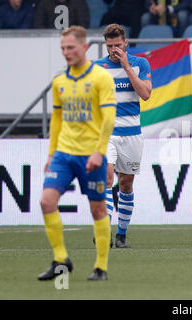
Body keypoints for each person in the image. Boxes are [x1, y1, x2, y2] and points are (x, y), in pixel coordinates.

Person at [37, 26, 116, 281]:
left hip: (91, 155)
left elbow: (108, 118)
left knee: (97, 210)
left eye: (70, 47)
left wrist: (99, 152)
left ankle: (101, 267)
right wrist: (51, 153)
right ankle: (61, 259)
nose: (66, 52)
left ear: (84, 47)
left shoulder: (101, 77)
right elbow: (57, 119)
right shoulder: (60, 80)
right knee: (46, 202)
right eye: (62, 48)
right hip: (64, 154)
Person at [94, 24, 152, 248]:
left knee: (126, 185)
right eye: (109, 46)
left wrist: (127, 66)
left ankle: (121, 234)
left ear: (125, 43)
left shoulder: (140, 64)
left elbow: (146, 94)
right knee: (107, 178)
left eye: (117, 45)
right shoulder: (97, 68)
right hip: (106, 132)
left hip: (132, 133)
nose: (113, 49)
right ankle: (104, 232)